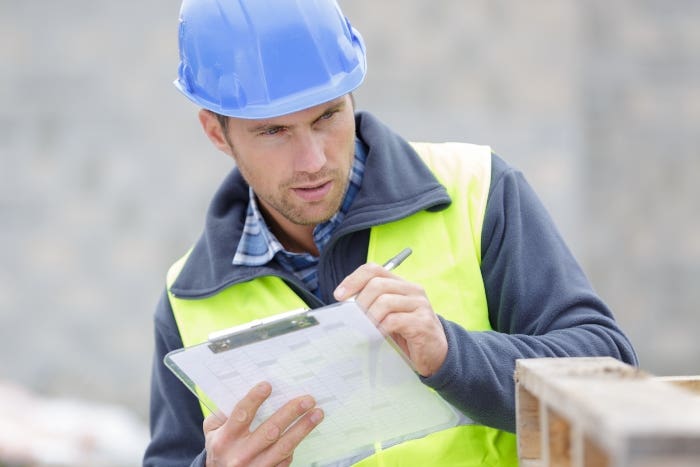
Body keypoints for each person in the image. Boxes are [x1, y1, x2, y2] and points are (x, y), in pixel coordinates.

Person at [143, 0, 638, 466]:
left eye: (327, 116)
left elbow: (611, 375)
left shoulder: (478, 190)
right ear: (215, 132)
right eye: (274, 132)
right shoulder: (186, 299)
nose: (313, 161)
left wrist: (450, 353)